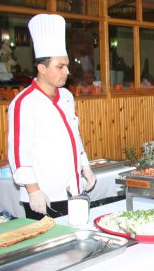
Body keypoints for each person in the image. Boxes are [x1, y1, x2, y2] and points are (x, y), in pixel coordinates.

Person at [7, 14, 96, 219]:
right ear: (42, 68)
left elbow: (74, 136)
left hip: (71, 190)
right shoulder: (24, 103)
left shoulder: (66, 96)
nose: (67, 71)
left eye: (67, 65)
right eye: (60, 66)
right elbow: (19, 152)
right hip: (44, 195)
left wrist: (85, 166)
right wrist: (33, 190)